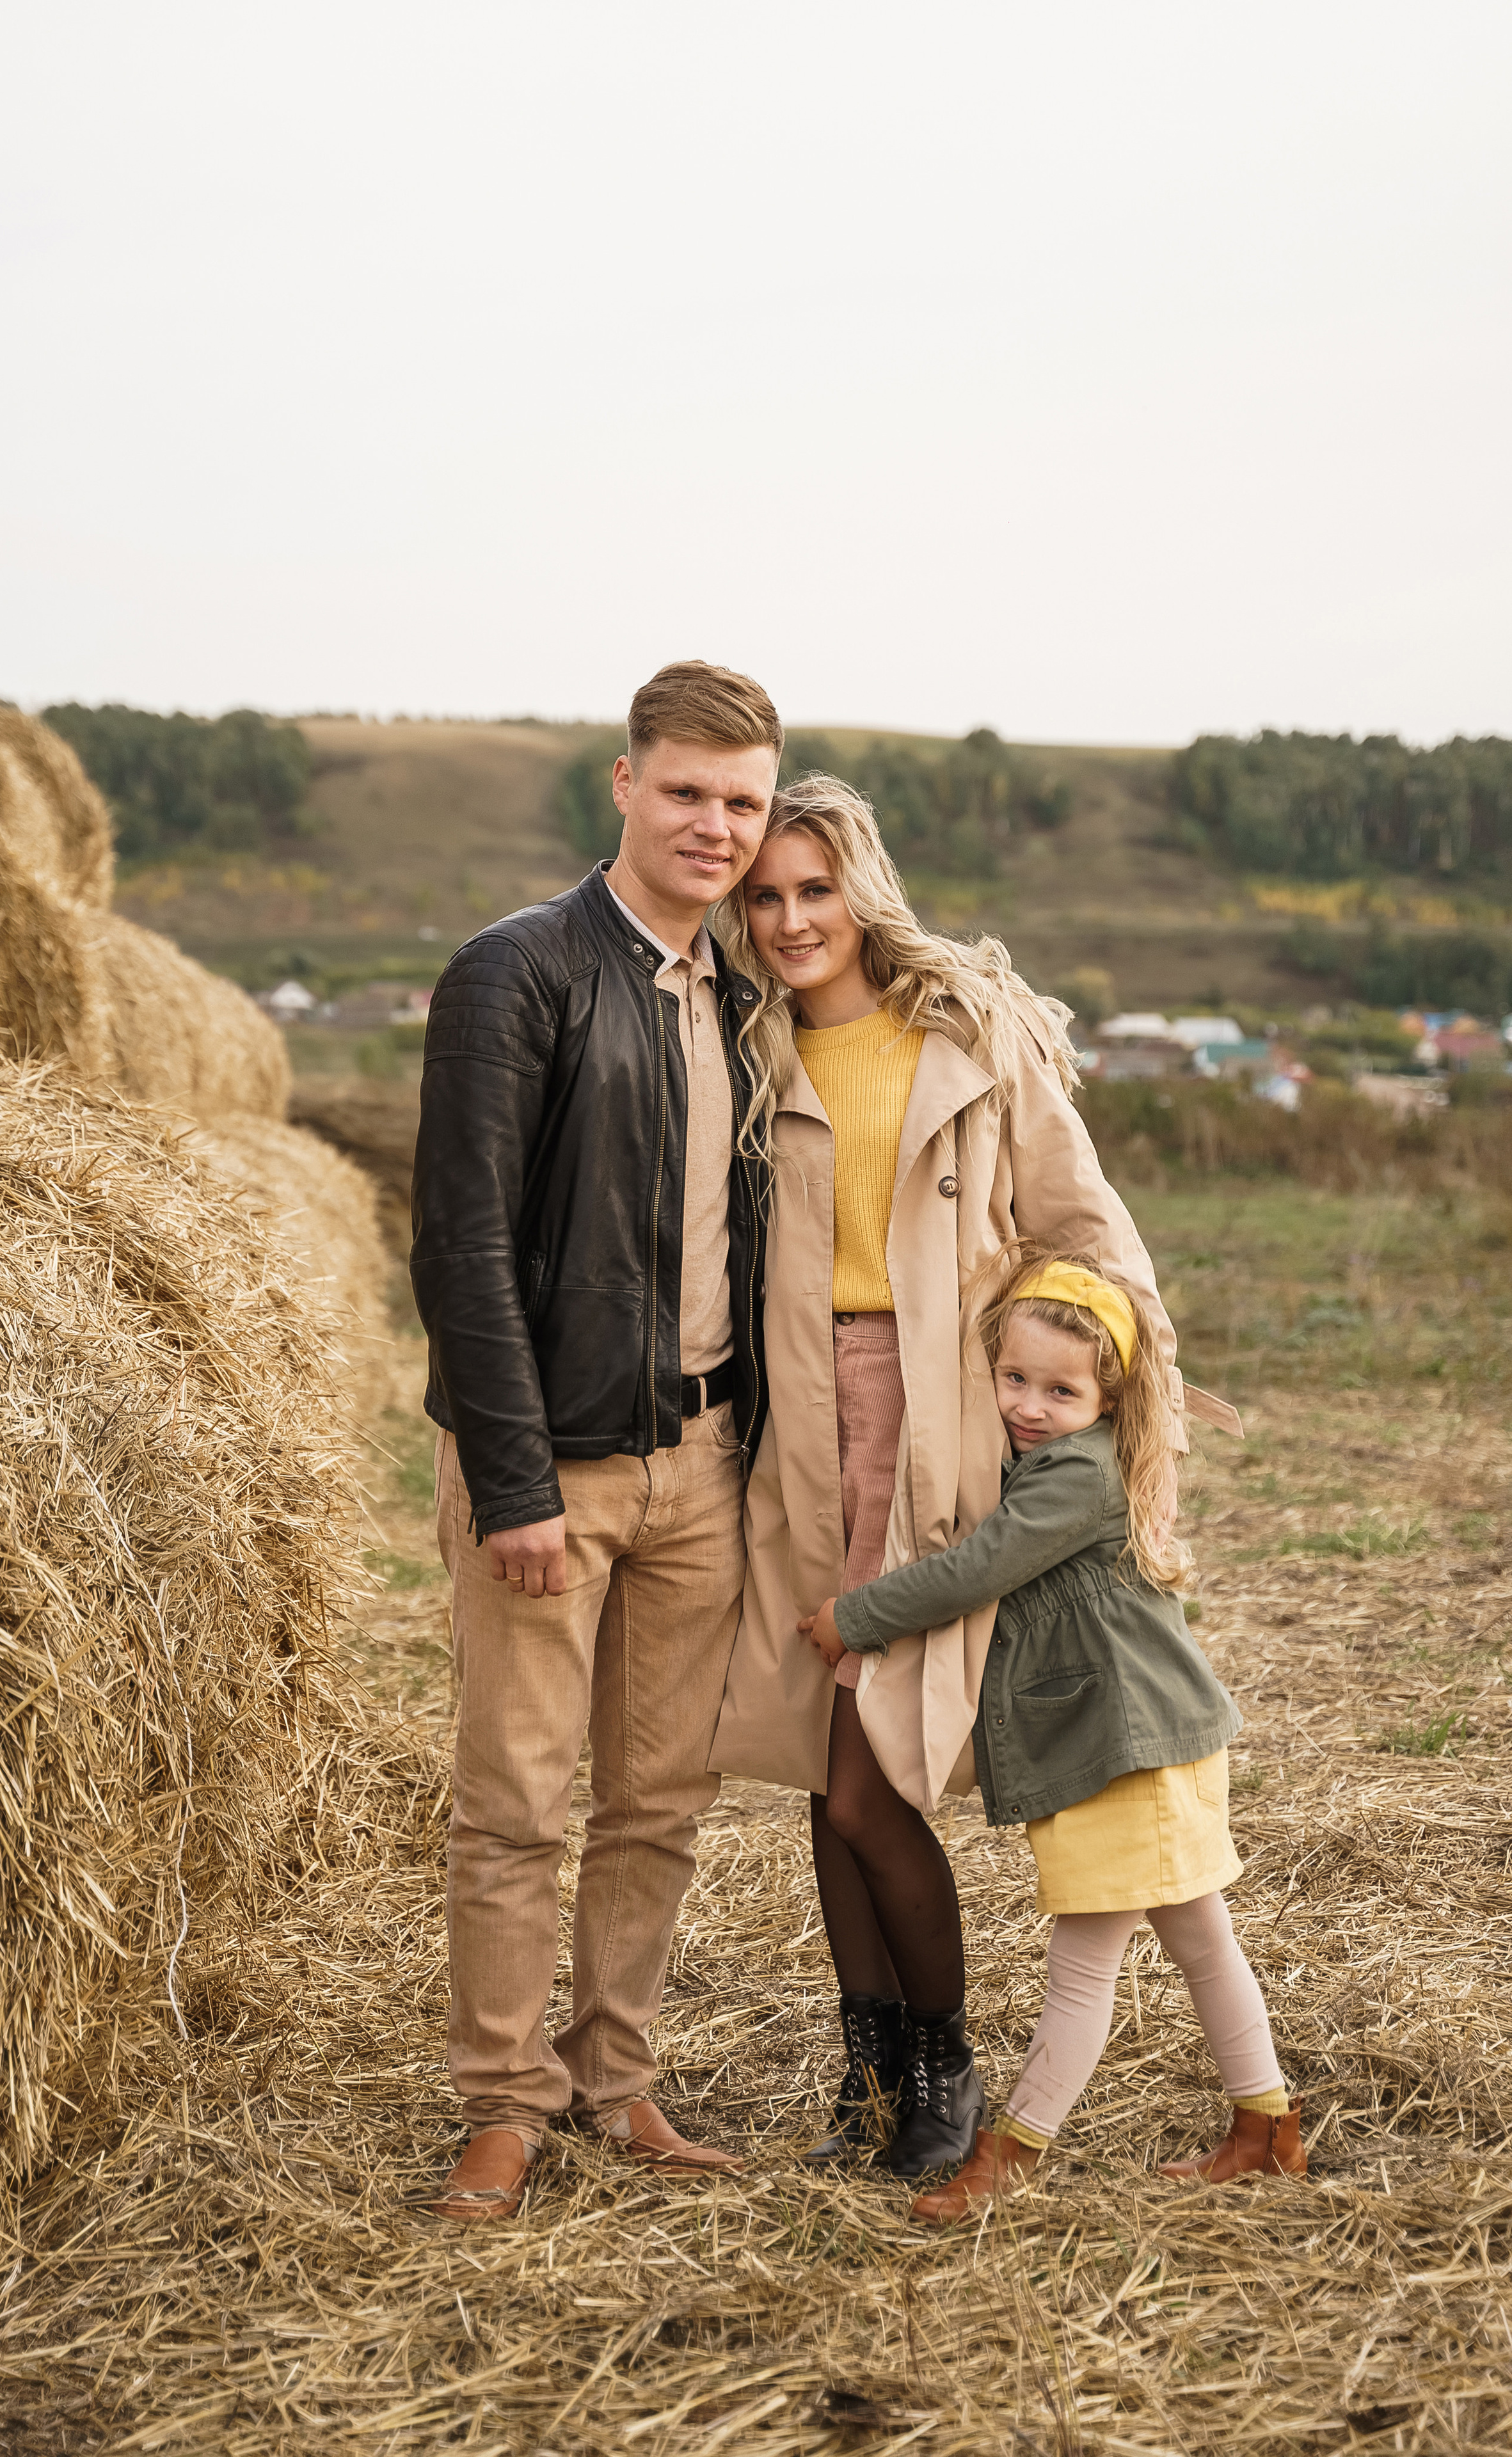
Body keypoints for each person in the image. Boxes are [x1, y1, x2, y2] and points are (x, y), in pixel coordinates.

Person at [709, 774, 1238, 2178]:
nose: (786, 920)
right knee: (824, 1782)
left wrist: (1115, 1412)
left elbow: (1090, 1232)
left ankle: (937, 2070)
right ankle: (870, 2072)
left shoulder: (969, 1031)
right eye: (761, 896)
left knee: (874, 1779)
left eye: (812, 889)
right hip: (801, 1431)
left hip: (947, 1423)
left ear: (861, 888)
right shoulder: (739, 1042)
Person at [411, 660, 778, 2221]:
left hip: (702, 1460)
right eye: (686, 790)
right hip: (549, 1462)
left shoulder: (747, 994)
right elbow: (461, 1246)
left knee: (657, 1802)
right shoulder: (519, 972)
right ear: (620, 786)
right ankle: (502, 2104)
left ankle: (612, 2081)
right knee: (517, 1798)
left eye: (741, 803)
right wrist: (509, 1480)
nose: (714, 825)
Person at [804, 1246, 1304, 2219]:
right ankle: (1267, 2129)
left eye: (1062, 1390)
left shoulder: (1074, 1480)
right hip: (1146, 1739)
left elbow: (974, 1568)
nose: (1031, 1405)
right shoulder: (1049, 1458)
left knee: (1083, 1968)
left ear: (1109, 1399)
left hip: (1125, 1750)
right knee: (1204, 1942)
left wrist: (852, 1618)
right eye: (1015, 1379)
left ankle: (1009, 2157)